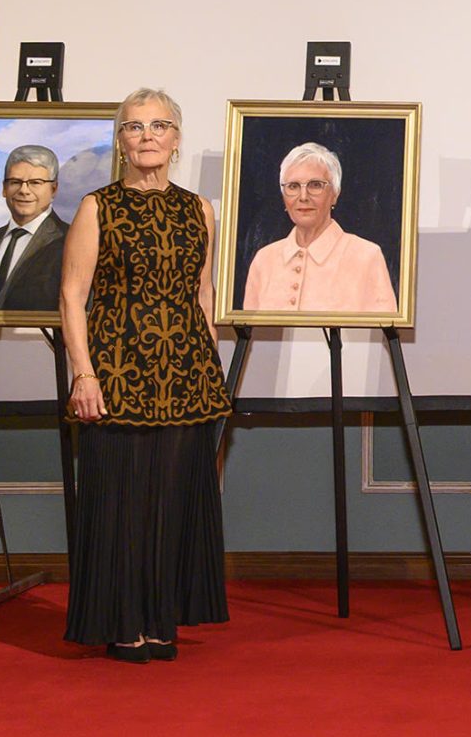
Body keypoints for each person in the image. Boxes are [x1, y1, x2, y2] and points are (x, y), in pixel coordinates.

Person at [59, 88, 233, 663]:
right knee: (122, 503)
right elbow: (72, 295)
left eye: (160, 125)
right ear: (121, 140)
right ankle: (122, 621)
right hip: (116, 373)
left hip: (186, 375)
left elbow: (203, 292)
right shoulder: (96, 207)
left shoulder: (198, 209)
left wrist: (210, 362)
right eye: (135, 127)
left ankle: (161, 620)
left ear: (177, 139)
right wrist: (82, 375)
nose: (148, 135)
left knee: (174, 501)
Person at [239, 141, 397, 313]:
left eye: (315, 185)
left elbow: (382, 333)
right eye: (293, 186)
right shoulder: (264, 260)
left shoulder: (367, 256)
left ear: (335, 194)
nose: (303, 196)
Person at [0, 144, 68, 312]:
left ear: (54, 189)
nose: (24, 190)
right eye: (15, 182)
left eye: (35, 183)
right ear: (4, 188)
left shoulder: (70, 242)